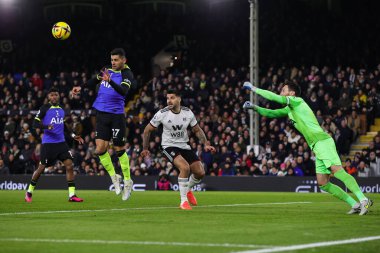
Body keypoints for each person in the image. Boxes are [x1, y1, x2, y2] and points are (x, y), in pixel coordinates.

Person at [243, 81, 373, 215]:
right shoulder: (290, 110)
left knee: (337, 171)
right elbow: (272, 113)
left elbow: (275, 98)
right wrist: (254, 107)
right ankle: (355, 204)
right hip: (316, 145)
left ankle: (364, 200)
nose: (281, 93)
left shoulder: (297, 101)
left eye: (283, 90)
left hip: (322, 141)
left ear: (291, 93)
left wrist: (253, 88)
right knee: (323, 183)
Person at [72, 48, 135, 201]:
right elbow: (94, 80)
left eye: (116, 60)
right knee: (100, 149)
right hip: (101, 113)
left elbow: (123, 91)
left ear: (123, 60)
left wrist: (110, 81)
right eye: (112, 60)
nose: (113, 62)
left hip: (116, 115)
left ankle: (127, 181)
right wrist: (81, 87)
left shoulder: (127, 74)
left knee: (119, 149)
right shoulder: (107, 70)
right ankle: (115, 178)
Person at [141, 90, 216, 210]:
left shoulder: (187, 112)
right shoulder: (162, 113)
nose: (169, 101)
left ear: (179, 99)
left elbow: (197, 130)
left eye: (172, 98)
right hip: (168, 146)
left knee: (200, 172)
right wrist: (145, 148)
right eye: (167, 98)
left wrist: (206, 144)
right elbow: (147, 130)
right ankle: (183, 202)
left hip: (184, 145)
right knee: (185, 167)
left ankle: (187, 190)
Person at [25, 87, 84, 202]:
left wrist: (73, 136)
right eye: (51, 95)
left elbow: (64, 127)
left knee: (70, 165)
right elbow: (34, 124)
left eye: (56, 95)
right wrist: (46, 127)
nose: (54, 97)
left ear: (59, 96)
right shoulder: (44, 108)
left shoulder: (62, 109)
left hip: (61, 144)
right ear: (48, 97)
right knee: (41, 169)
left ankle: (72, 195)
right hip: (48, 144)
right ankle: (29, 191)